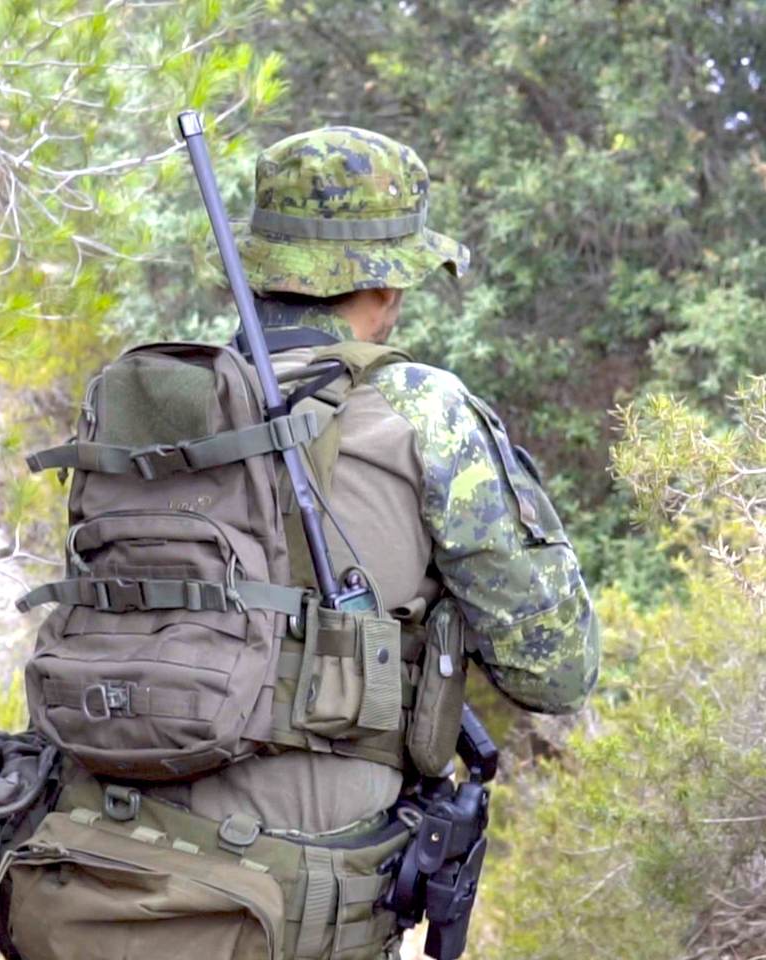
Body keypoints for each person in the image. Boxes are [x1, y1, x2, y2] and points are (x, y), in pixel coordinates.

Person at [152, 124, 600, 953]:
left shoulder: (156, 402)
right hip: (299, 897)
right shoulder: (425, 411)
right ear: (387, 285)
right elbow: (558, 668)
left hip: (110, 868)